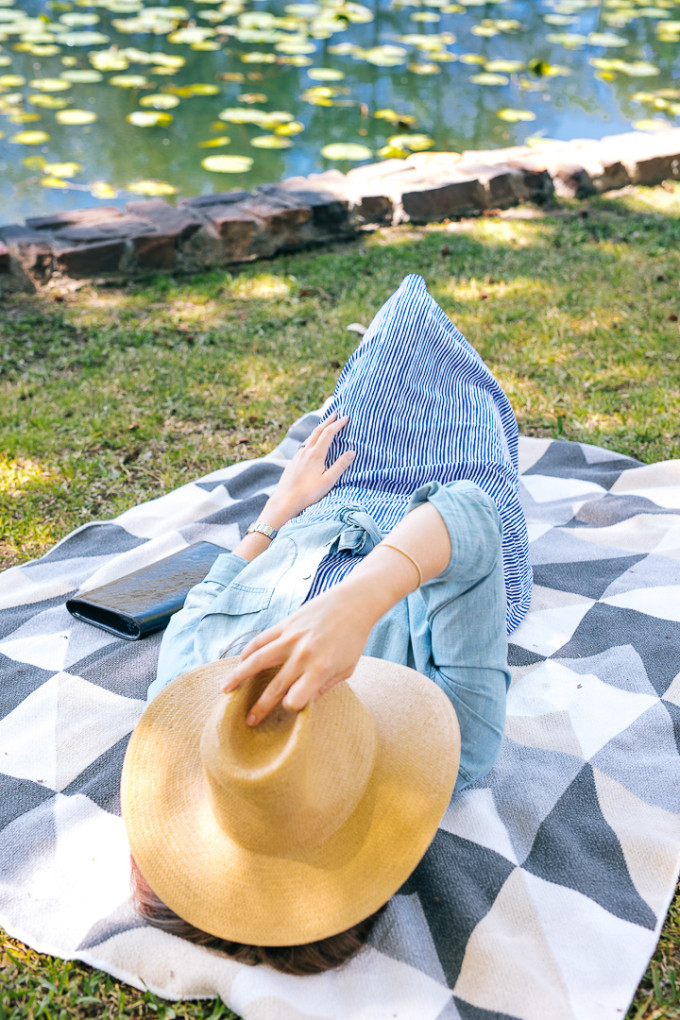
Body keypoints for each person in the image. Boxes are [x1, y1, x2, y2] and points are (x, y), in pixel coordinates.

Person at [121, 273, 533, 976]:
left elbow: (205, 598)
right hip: (433, 525)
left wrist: (275, 511)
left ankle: (368, 354)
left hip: (319, 512)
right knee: (413, 326)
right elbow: (467, 517)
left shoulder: (199, 710)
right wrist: (358, 605)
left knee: (374, 364)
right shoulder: (449, 746)